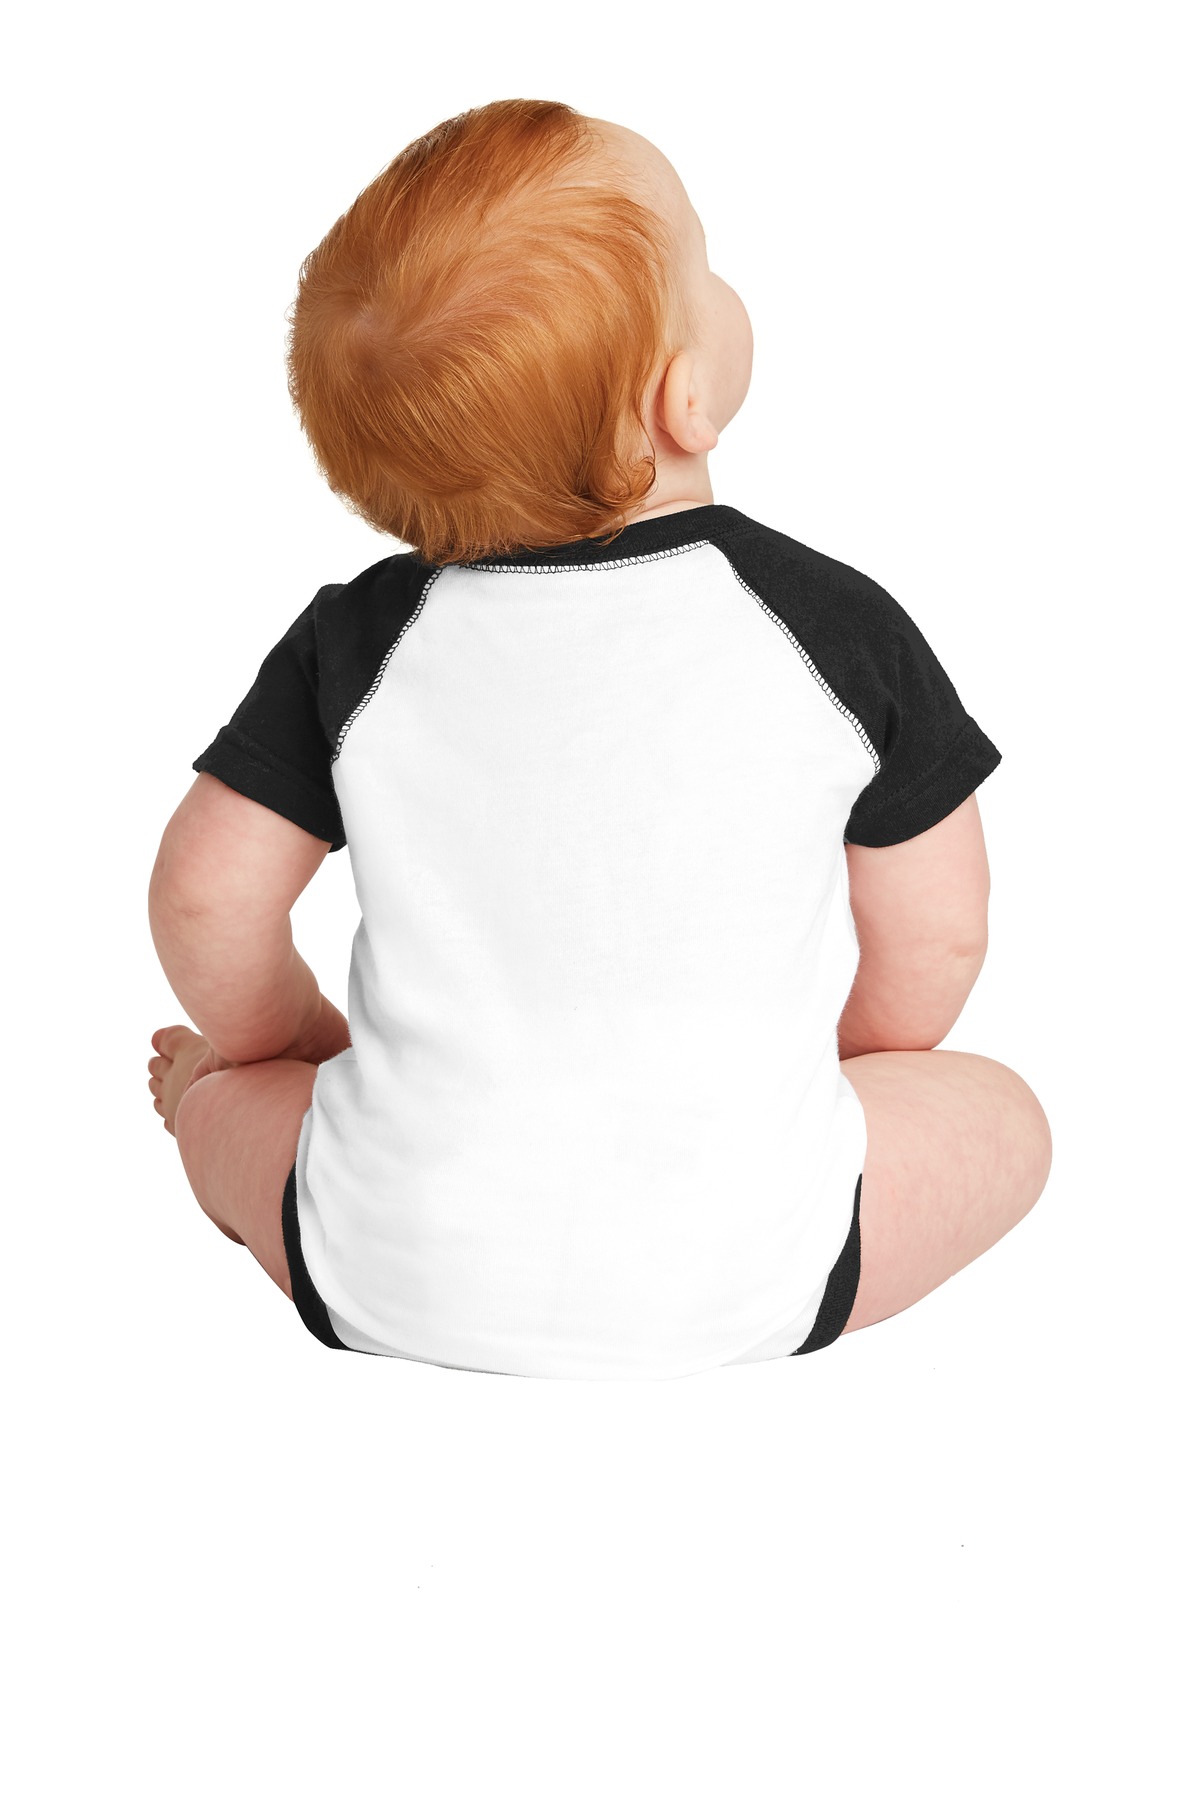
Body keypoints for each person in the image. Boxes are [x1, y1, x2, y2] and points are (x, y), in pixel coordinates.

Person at [147, 99, 1052, 1379]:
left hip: (381, 1266)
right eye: (704, 265)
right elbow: (941, 935)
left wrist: (287, 1041)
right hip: (761, 1269)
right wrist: (832, 1083)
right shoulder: (831, 629)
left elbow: (203, 897)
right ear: (686, 397)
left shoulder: (359, 645)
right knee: (1004, 1114)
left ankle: (212, 1111)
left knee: (237, 1101)